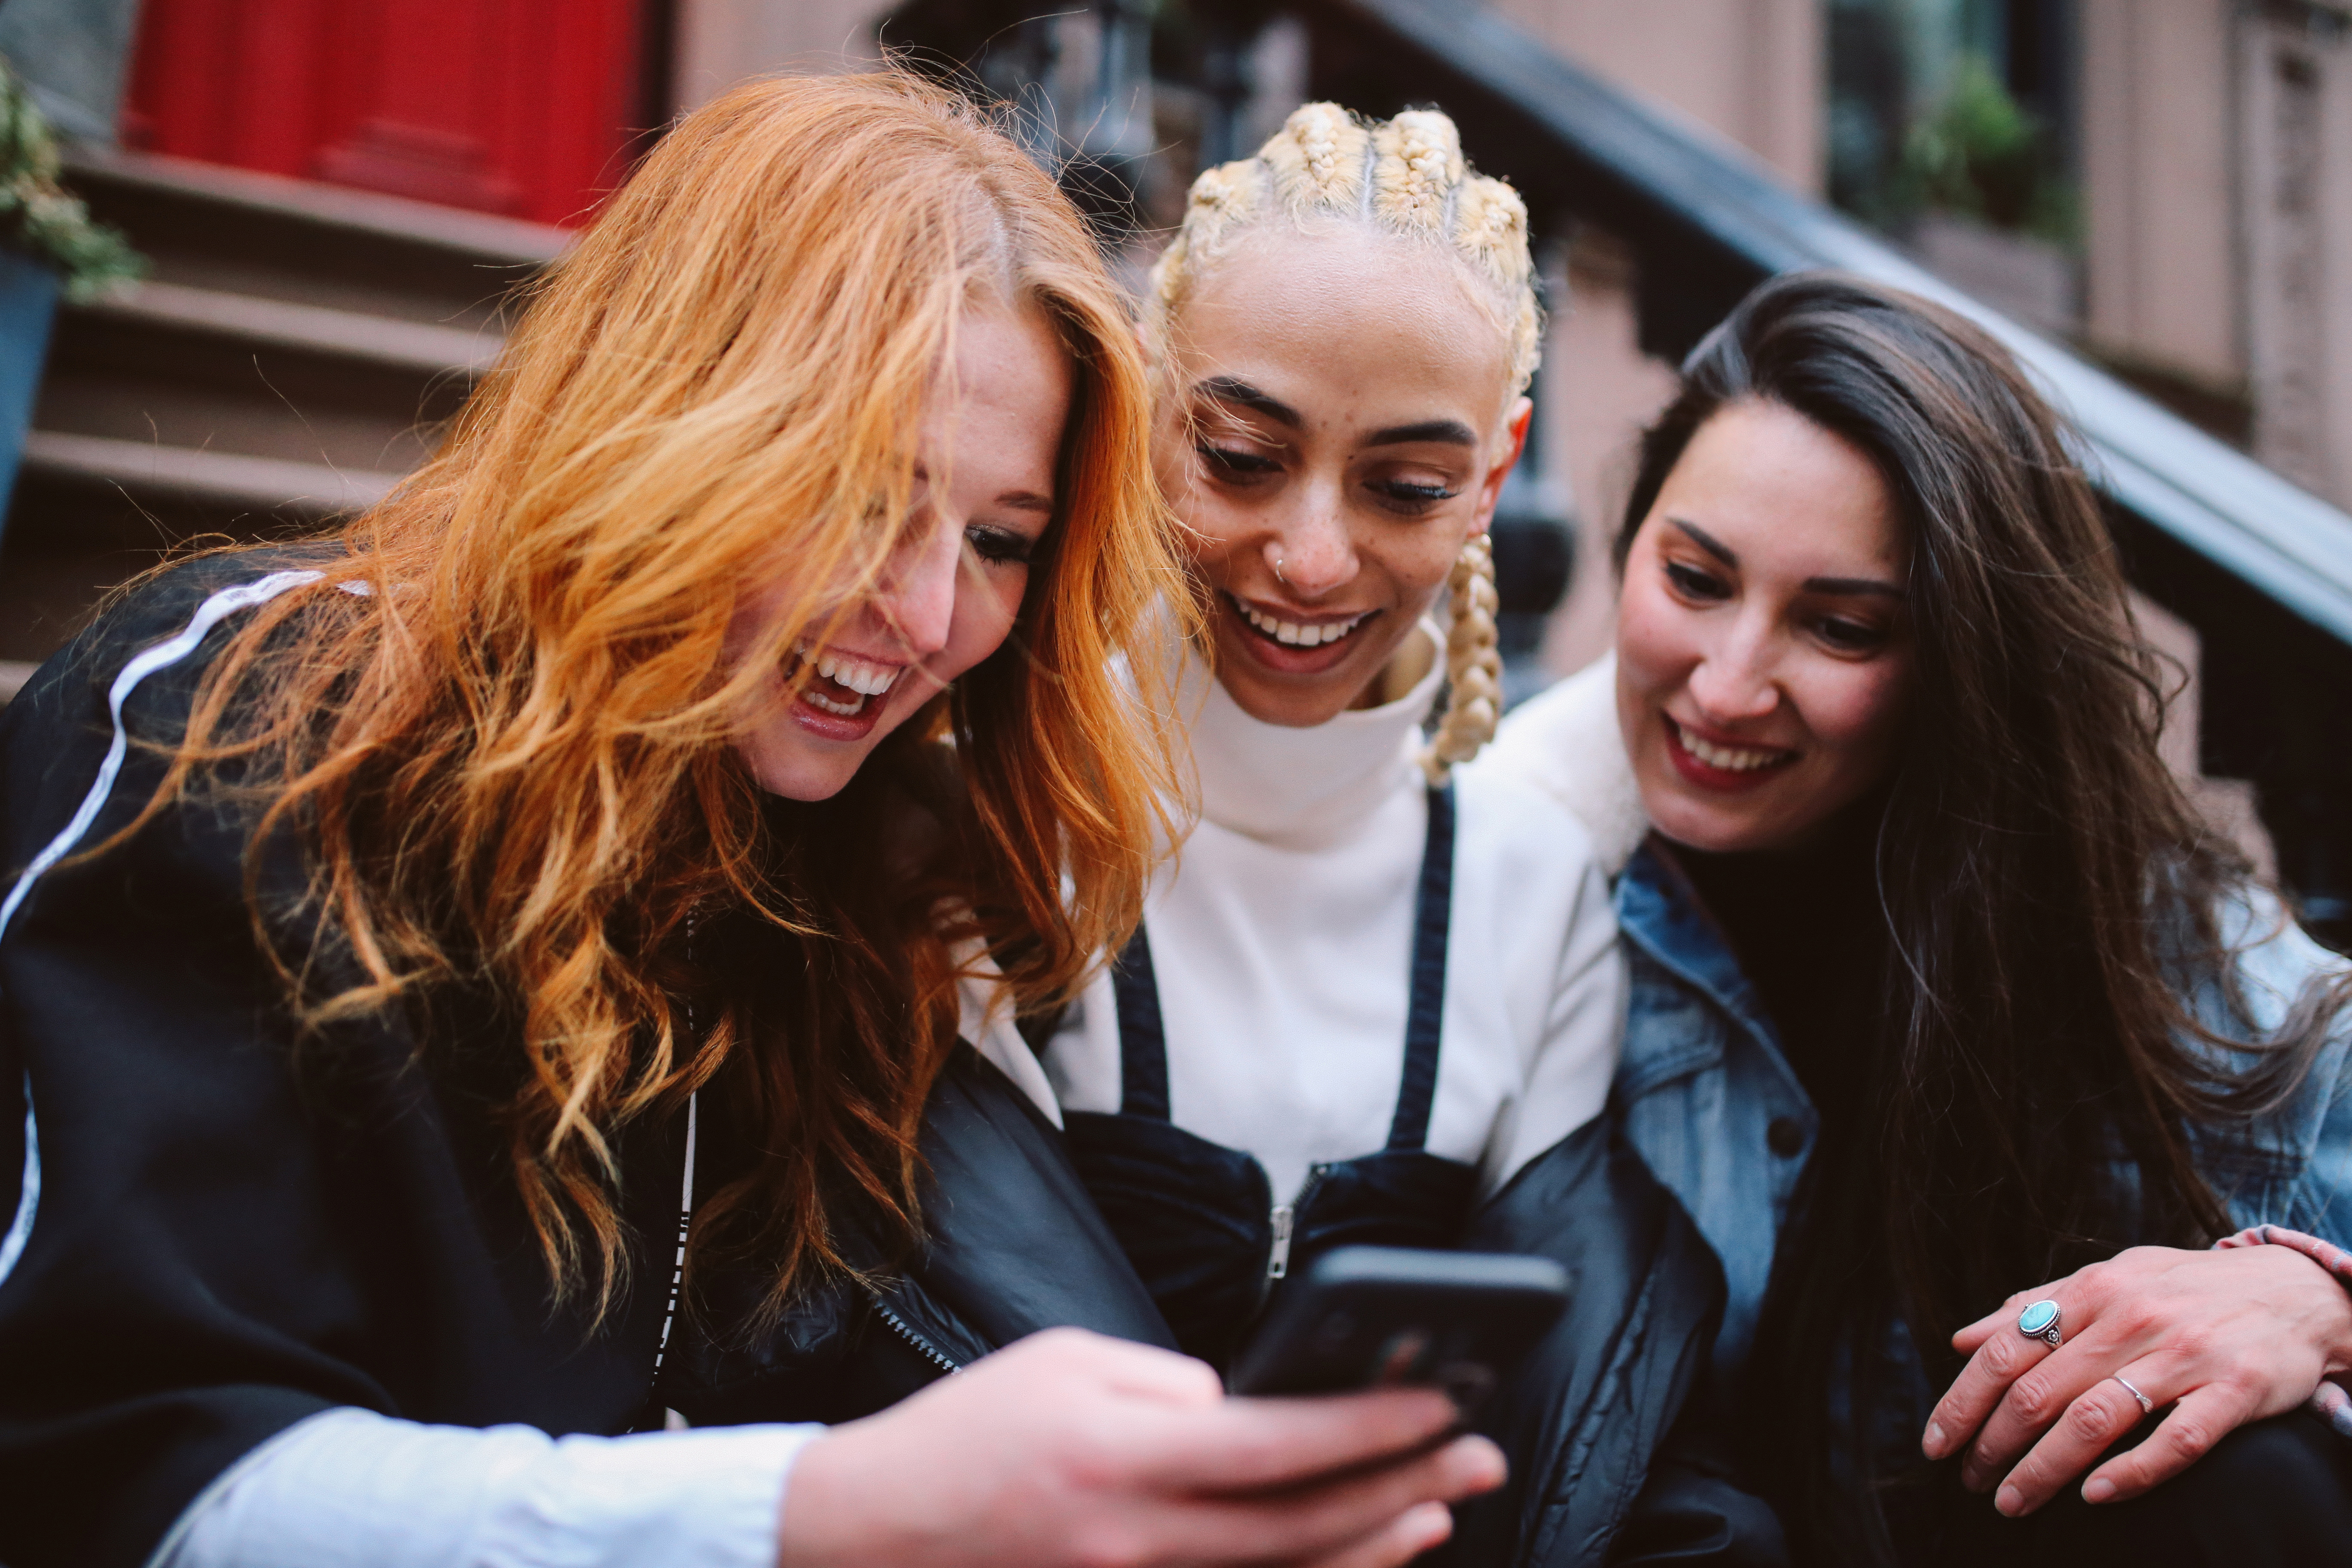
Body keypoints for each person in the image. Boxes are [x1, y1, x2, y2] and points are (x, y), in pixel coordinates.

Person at [0, 73, 1507, 1568]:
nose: (925, 614)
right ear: (667, 414)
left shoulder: (845, 862)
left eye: (999, 542)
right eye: (860, 494)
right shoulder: (244, 720)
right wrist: (828, 1511)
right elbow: (115, 1474)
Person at [959, 103, 1778, 1564]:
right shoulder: (989, 812)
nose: (1315, 556)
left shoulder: (1537, 888)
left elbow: (1579, 1432)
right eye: (1241, 456)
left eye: (1405, 485)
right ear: (1148, 410)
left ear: (1492, 474)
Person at [1482, 271, 2352, 1564]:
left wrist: (2317, 1301)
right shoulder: (1505, 880)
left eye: (1839, 627)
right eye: (1695, 576)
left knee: (2256, 1468)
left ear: (1963, 658)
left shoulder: (2159, 950)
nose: (1726, 685)